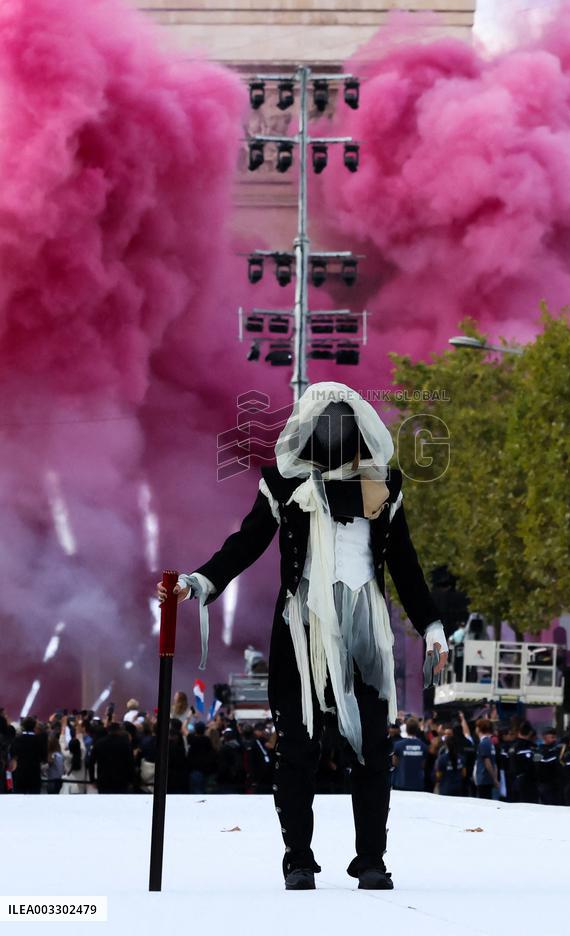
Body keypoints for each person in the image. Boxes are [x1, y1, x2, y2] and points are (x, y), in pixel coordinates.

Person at [158, 381, 448, 891]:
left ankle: (372, 859)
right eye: (326, 424)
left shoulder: (386, 488)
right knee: (297, 746)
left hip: (366, 629)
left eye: (345, 424)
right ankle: (298, 857)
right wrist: (198, 582)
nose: (336, 434)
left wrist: (433, 626)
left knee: (373, 748)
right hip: (301, 629)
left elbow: (406, 567)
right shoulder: (284, 486)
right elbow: (244, 544)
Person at [89, 721, 135, 794]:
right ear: (119, 730)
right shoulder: (126, 744)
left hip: (103, 780)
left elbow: (91, 762)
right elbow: (131, 763)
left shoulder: (99, 743)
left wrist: (92, 780)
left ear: (108, 730)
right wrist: (131, 780)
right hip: (121, 781)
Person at [11, 717, 47, 794]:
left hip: (20, 774)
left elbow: (13, 755)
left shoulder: (17, 739)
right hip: (34, 774)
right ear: (34, 726)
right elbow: (43, 757)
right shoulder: (39, 740)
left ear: (23, 726)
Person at [392, 717, 428, 792]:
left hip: (401, 783)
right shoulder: (423, 746)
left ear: (406, 729)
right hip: (417, 784)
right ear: (417, 729)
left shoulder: (398, 745)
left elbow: (394, 763)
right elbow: (423, 765)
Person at [508, 721, 538, 803]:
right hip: (527, 783)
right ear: (530, 733)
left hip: (513, 781)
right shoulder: (527, 747)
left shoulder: (512, 746)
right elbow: (533, 764)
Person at [186, 721, 216, 794]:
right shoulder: (208, 741)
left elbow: (184, 730)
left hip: (195, 770)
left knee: (196, 793)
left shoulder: (192, 740)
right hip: (207, 771)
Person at [536, 727, 564, 806]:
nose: (554, 739)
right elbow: (537, 767)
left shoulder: (557, 749)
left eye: (555, 737)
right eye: (552, 737)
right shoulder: (539, 750)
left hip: (557, 784)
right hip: (545, 784)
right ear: (544, 737)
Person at [434, 727, 465, 796]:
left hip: (449, 787)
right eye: (445, 734)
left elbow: (438, 775)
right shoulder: (440, 748)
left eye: (449, 734)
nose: (447, 736)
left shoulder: (459, 752)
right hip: (452, 786)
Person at [473, 718, 498, 798]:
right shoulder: (490, 743)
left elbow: (487, 762)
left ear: (479, 729)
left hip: (484, 779)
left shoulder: (484, 743)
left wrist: (494, 779)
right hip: (487, 779)